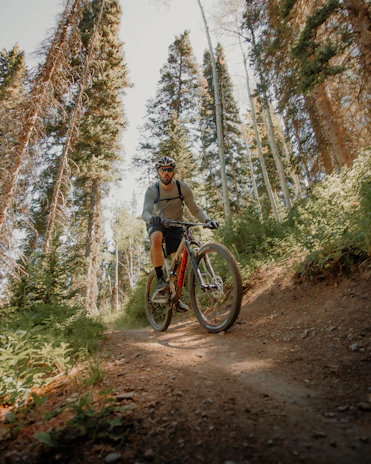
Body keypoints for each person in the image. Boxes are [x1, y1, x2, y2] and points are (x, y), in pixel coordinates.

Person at [142, 156, 218, 312]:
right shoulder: (152, 190)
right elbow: (145, 211)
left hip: (176, 225)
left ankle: (176, 296)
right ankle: (160, 279)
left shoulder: (182, 188)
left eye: (169, 169)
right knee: (156, 237)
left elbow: (195, 209)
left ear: (174, 171)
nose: (166, 173)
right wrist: (151, 218)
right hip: (158, 223)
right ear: (158, 172)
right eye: (163, 170)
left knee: (181, 257)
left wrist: (207, 220)